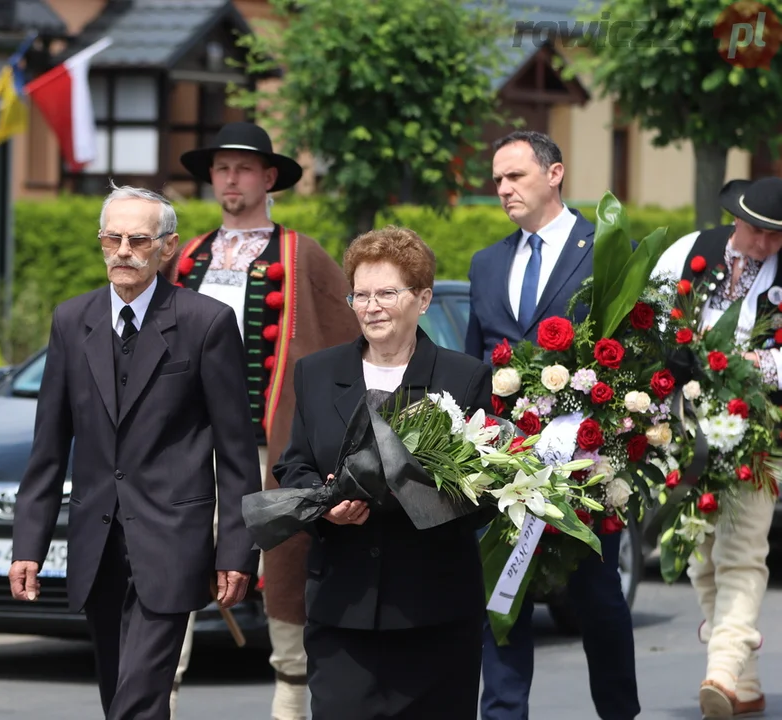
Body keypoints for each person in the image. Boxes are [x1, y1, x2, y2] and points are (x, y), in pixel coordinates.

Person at [8, 183, 262, 720]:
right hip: (95, 542)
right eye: (112, 238)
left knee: (139, 701)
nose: (123, 251)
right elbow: (49, 447)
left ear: (166, 248)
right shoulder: (71, 321)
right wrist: (28, 544)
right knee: (117, 693)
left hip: (172, 540)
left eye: (138, 241)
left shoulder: (206, 324)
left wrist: (237, 551)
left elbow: (237, 453)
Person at [168, 121, 359, 720]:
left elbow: (353, 338)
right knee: (173, 559)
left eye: (243, 168)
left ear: (268, 177)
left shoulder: (302, 255)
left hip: (269, 447)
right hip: (190, 447)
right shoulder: (186, 258)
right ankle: (160, 696)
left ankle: (290, 702)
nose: (230, 178)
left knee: (285, 560)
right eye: (221, 168)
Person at [272, 225, 493, 719]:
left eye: (387, 293)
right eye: (361, 294)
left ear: (423, 299)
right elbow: (294, 464)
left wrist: (406, 495)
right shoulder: (316, 373)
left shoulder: (464, 378)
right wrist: (325, 504)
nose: (371, 307)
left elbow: (484, 496)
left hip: (433, 614)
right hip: (342, 611)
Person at [465, 130, 640, 720]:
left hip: (585, 463)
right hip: (507, 467)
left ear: (555, 173)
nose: (504, 189)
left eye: (515, 176)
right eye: (497, 180)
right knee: (502, 594)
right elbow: (477, 362)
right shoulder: (486, 264)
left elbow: (633, 352)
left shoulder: (606, 248)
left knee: (596, 599)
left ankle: (619, 711)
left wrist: (606, 429)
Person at [651, 176, 782, 719]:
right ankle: (745, 688)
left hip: (761, 432)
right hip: (686, 428)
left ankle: (723, 671)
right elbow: (651, 322)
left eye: (779, 237)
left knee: (741, 552)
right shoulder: (688, 252)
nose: (768, 246)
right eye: (760, 233)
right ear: (738, 220)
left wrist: (761, 366)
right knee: (700, 558)